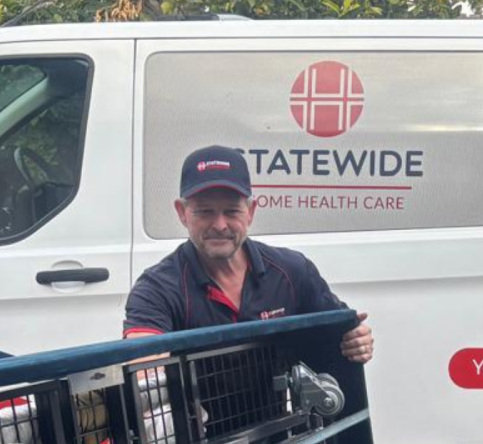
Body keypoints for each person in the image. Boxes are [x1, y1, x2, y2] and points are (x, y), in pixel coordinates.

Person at [122, 145, 374, 364]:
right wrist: (148, 370)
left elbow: (343, 332)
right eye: (205, 211)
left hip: (280, 418)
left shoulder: (292, 270)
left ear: (251, 211)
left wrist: (357, 340)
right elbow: (143, 365)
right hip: (196, 420)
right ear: (182, 212)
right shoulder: (157, 288)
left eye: (231, 211)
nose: (220, 225)